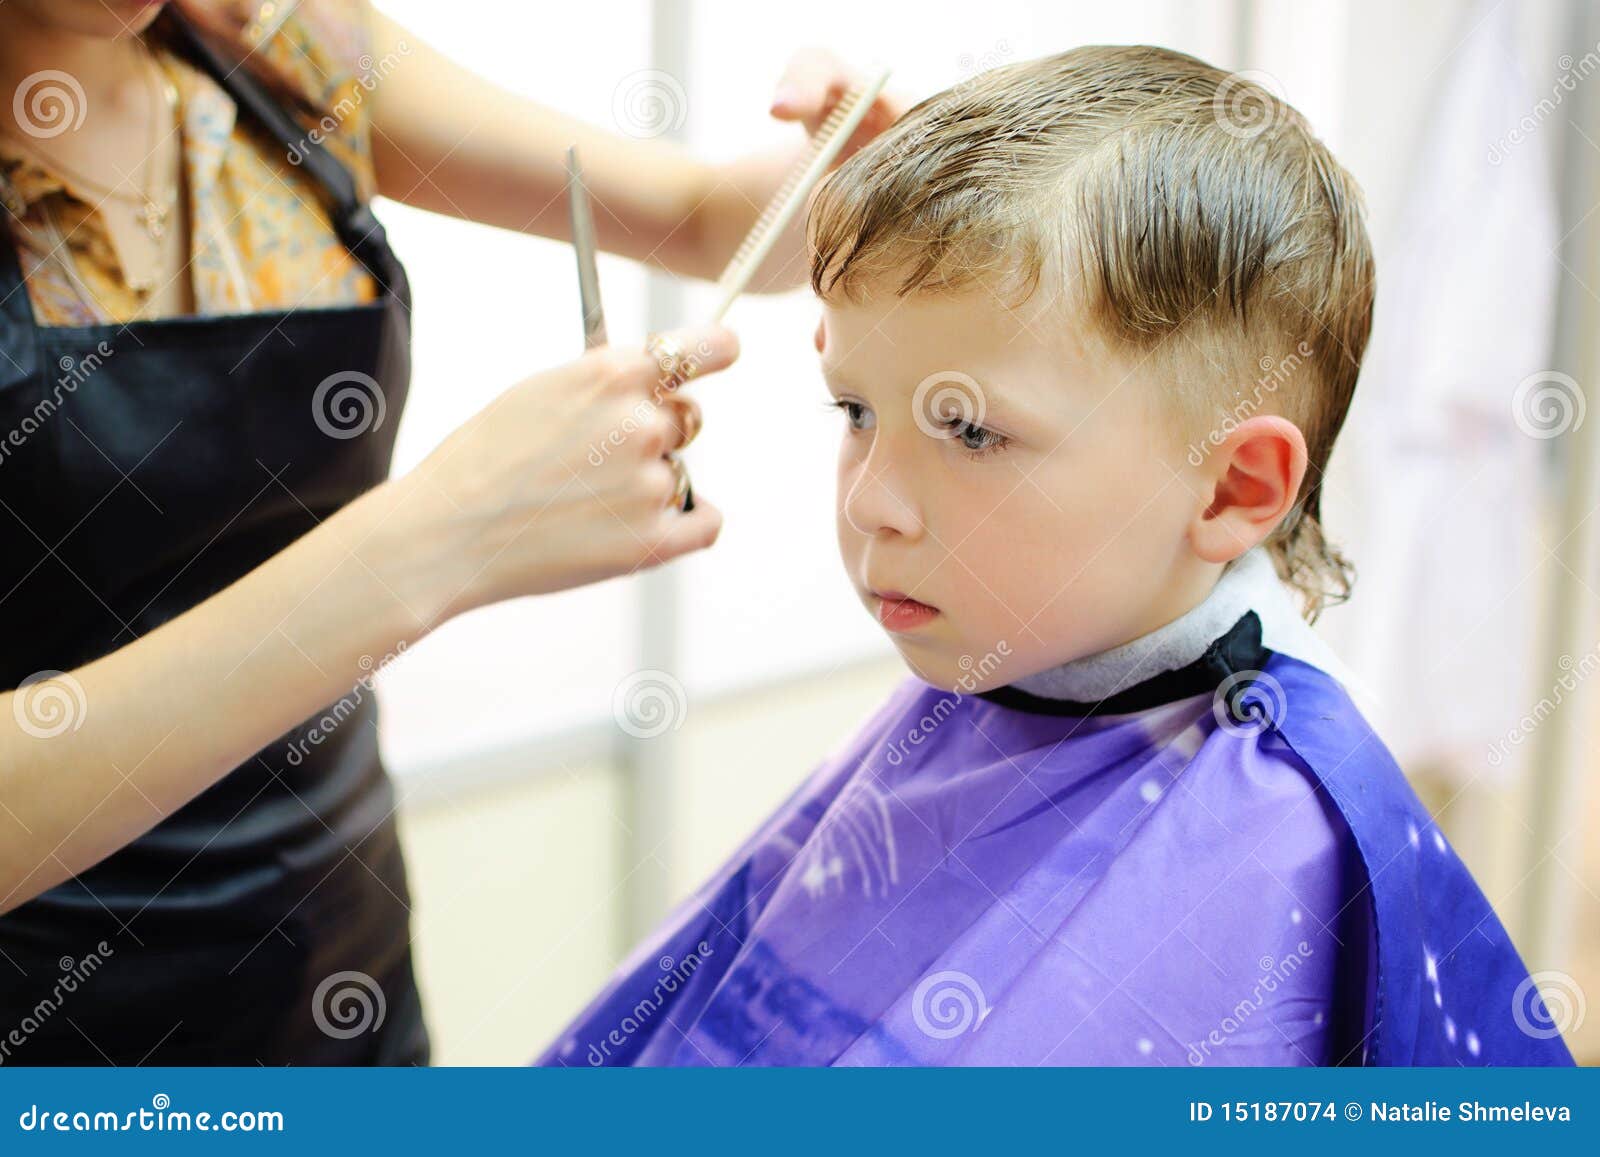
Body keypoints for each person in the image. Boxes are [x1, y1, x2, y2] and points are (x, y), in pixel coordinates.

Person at [537, 45, 1577, 1066]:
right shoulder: (1004, 676)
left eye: (972, 432)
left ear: (1233, 488)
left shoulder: (1275, 840)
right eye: (854, 409)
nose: (871, 501)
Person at [0, 0, 899, 1064]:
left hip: (335, 946)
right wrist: (450, 530)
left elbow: (703, 215)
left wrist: (838, 166)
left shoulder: (281, 40)